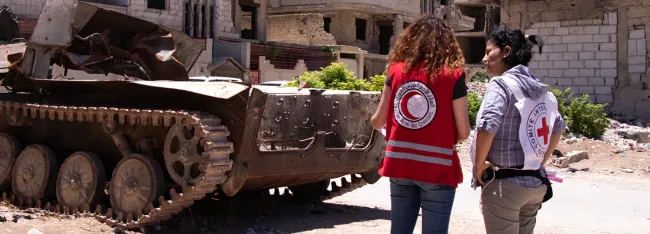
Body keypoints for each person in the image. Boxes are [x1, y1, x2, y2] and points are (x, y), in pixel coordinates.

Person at [370, 14, 471, 234]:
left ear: (410, 39)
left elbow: (377, 120)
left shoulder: (395, 71)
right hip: (437, 168)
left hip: (400, 165)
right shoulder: (453, 76)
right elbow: (463, 132)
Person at [470, 28, 567, 234]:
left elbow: (487, 125)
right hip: (535, 183)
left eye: (489, 52)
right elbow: (558, 127)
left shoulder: (501, 85)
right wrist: (539, 162)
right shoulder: (542, 90)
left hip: (506, 187)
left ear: (506, 52)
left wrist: (478, 166)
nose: (484, 58)